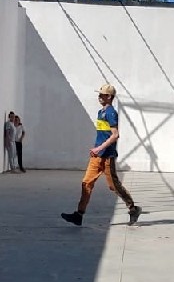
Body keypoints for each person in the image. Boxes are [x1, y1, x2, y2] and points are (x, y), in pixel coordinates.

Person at [61, 84, 142, 226]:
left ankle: (133, 209)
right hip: (96, 157)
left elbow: (115, 135)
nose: (99, 97)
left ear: (109, 97)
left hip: (107, 156)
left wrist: (99, 148)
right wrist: (97, 150)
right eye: (99, 94)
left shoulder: (111, 113)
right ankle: (79, 215)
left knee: (114, 186)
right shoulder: (100, 112)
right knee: (86, 183)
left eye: (101, 94)